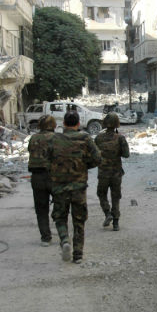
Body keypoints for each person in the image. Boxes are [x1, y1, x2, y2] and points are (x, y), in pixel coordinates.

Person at [49, 111, 101, 263]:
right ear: (78, 124)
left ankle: (65, 240)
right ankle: (78, 254)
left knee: (60, 217)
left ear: (64, 123)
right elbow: (98, 158)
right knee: (79, 220)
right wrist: (83, 166)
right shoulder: (85, 138)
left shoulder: (54, 139)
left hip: (59, 186)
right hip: (79, 186)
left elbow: (46, 160)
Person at [95, 112, 130, 231]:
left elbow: (94, 154)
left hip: (103, 172)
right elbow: (126, 155)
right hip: (116, 172)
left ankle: (107, 213)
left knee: (101, 194)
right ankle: (116, 223)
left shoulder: (98, 138)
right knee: (115, 197)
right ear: (117, 124)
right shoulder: (120, 138)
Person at [27, 115, 55, 246]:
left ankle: (45, 237)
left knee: (41, 208)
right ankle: (63, 233)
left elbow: (30, 150)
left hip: (37, 176)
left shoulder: (33, 138)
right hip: (53, 176)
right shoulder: (56, 138)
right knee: (61, 204)